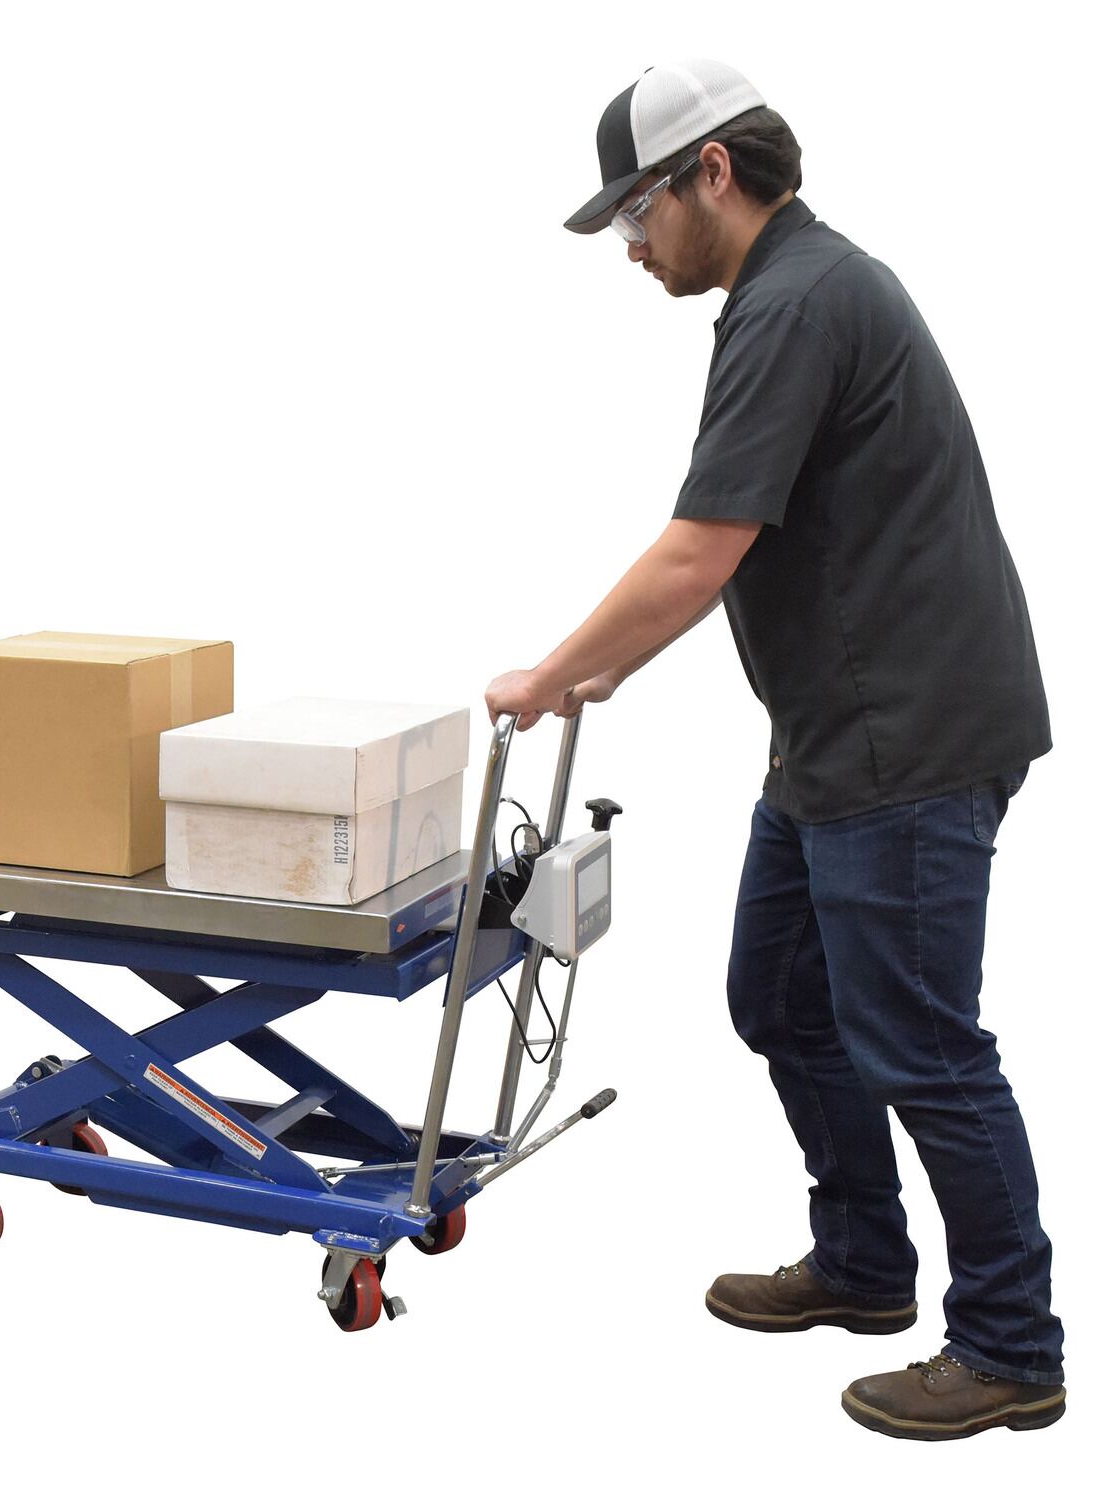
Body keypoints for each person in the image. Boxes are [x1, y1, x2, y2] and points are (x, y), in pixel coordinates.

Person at [484, 56, 1065, 1441]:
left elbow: (699, 550)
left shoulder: (798, 303)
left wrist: (553, 676)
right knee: (781, 997)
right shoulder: (791, 292)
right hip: (838, 736)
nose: (631, 246)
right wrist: (607, 666)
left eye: (637, 211)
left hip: (904, 741)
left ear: (712, 173)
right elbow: (736, 544)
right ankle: (863, 1261)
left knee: (922, 1045)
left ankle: (1009, 1345)